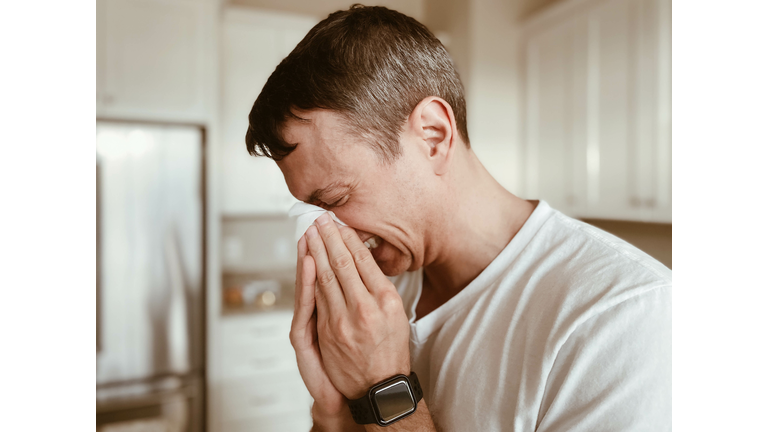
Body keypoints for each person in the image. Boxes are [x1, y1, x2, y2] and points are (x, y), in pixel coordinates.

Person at [245, 5, 671, 432]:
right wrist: (334, 411)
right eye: (314, 209)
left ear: (433, 136)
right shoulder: (374, 295)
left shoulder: (623, 317)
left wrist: (383, 389)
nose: (330, 230)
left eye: (337, 198)